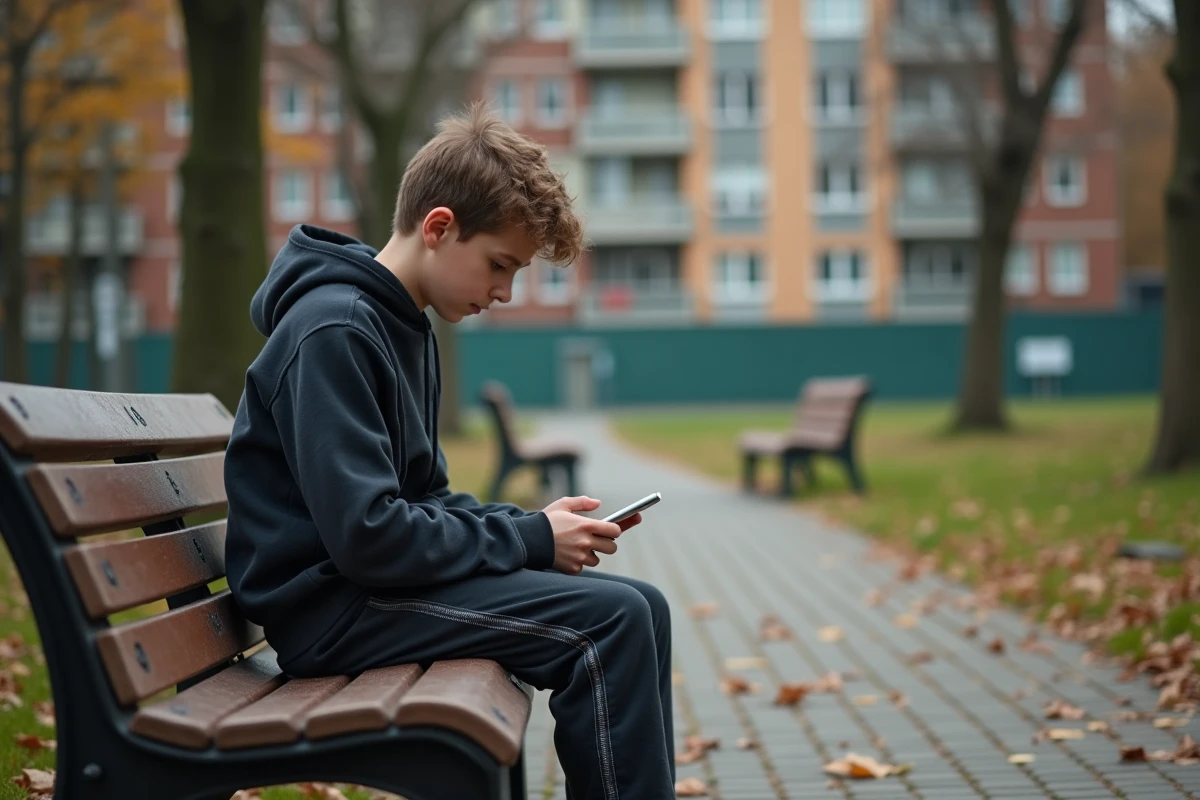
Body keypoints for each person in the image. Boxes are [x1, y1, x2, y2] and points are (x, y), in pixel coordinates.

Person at [223, 103, 675, 799]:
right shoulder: (334, 330)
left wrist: (534, 526)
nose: (504, 292)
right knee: (608, 625)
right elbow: (370, 535)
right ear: (439, 227)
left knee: (643, 605)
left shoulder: (402, 325)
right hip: (335, 614)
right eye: (500, 265)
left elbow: (423, 503)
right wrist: (528, 538)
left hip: (374, 592)